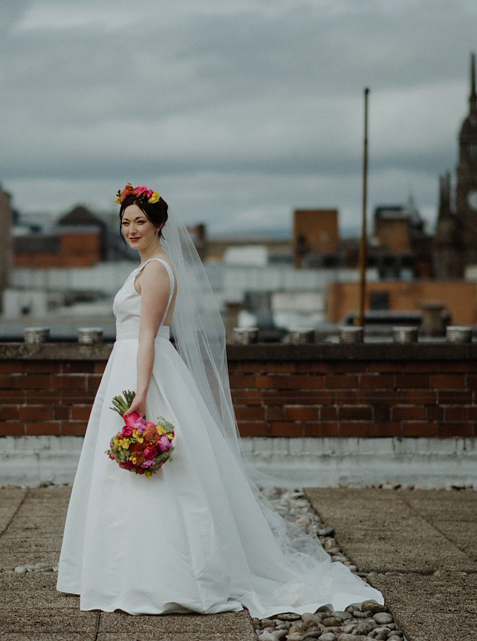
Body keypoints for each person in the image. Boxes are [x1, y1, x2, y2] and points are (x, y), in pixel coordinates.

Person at [56, 184, 382, 617]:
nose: (131, 229)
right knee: (136, 473)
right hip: (132, 364)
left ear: (158, 225)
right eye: (126, 222)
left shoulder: (155, 270)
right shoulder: (148, 266)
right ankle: (122, 570)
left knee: (159, 470)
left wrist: (140, 392)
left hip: (143, 369)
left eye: (140, 222)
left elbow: (150, 335)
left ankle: (159, 574)